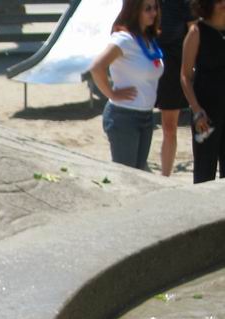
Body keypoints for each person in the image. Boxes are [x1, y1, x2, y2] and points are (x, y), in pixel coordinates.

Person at [90, 0, 164, 170]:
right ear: (135, 10)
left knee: (139, 174)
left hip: (147, 116)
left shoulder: (148, 38)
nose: (153, 13)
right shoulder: (124, 39)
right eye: (147, 9)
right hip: (124, 116)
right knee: (127, 175)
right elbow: (97, 67)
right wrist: (111, 93)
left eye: (155, 8)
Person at [180, 0, 225, 183]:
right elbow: (185, 76)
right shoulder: (196, 32)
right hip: (206, 114)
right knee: (204, 173)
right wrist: (197, 110)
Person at [156, 0, 195, 176]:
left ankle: (165, 176)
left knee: (169, 127)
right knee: (139, 120)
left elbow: (193, 32)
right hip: (147, 60)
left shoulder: (184, 3)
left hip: (172, 65)